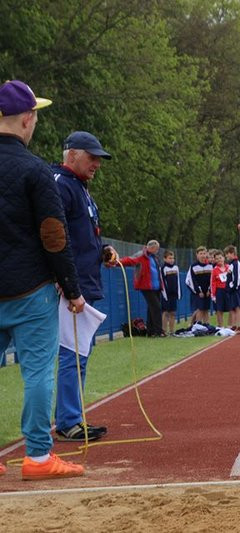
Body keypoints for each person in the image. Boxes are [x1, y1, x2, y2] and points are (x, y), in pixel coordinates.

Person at [0, 79, 85, 479]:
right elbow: (54, 235)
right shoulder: (35, 169)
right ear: (27, 120)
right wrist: (72, 289)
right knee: (36, 373)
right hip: (30, 290)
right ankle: (37, 457)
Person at [53, 130, 116, 442]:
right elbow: (53, 236)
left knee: (79, 353)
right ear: (72, 153)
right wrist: (63, 280)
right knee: (72, 354)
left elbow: (80, 236)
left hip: (83, 283)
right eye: (92, 157)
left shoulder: (79, 188)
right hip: (71, 286)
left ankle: (72, 417)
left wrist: (102, 251)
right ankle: (67, 421)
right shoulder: (62, 186)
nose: (97, 164)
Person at [118, 240, 165, 337]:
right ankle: (158, 331)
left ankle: (151, 331)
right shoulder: (142, 255)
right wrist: (117, 262)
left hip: (156, 286)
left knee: (151, 308)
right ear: (152, 248)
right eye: (156, 249)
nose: (157, 251)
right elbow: (129, 260)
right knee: (156, 307)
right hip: (146, 286)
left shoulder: (155, 258)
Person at [186, 246, 213, 324]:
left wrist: (209, 290)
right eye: (200, 253)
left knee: (206, 309)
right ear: (197, 255)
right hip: (198, 293)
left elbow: (212, 280)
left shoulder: (210, 266)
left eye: (204, 253)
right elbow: (191, 280)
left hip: (207, 292)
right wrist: (198, 291)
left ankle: (207, 325)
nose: (203, 255)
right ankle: (198, 325)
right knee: (199, 309)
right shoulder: (193, 266)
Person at [224, 245, 240, 331]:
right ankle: (235, 325)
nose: (226, 256)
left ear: (232, 253)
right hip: (233, 289)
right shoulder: (232, 264)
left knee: (238, 307)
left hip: (236, 289)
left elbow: (237, 277)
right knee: (233, 307)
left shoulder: (235, 263)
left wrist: (233, 287)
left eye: (227, 254)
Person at [160, 250, 180, 335]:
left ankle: (172, 331)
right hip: (166, 295)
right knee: (165, 312)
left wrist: (178, 293)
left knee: (173, 312)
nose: (172, 260)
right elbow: (162, 282)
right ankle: (164, 330)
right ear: (165, 259)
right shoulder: (163, 268)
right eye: (169, 258)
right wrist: (165, 294)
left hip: (174, 294)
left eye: (173, 258)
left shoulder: (176, 268)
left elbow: (178, 281)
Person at [210, 250, 231, 328]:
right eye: (217, 259)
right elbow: (212, 283)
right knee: (219, 309)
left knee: (231, 308)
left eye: (220, 258)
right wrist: (213, 295)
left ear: (224, 258)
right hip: (219, 291)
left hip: (228, 290)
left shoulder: (229, 267)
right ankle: (220, 325)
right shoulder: (214, 270)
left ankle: (230, 325)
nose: (219, 260)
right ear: (215, 260)